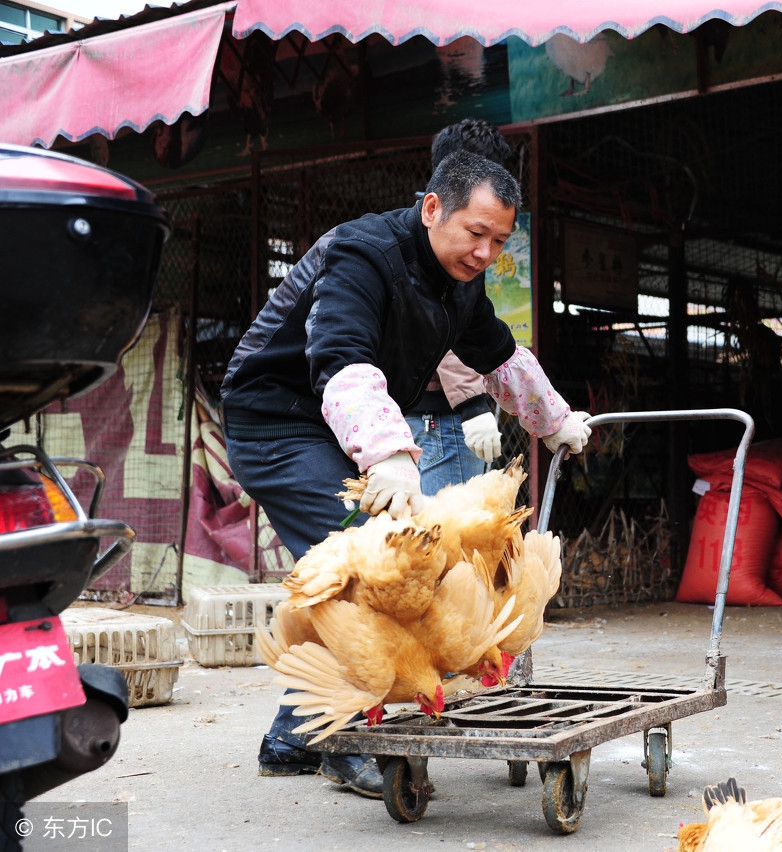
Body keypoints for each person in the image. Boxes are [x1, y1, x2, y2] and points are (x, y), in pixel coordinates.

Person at [221, 149, 591, 796]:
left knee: (359, 569)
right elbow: (340, 359)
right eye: (476, 233)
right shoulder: (363, 255)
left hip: (329, 425)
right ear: (431, 209)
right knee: (376, 569)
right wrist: (390, 453)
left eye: (499, 241)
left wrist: (552, 420)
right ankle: (343, 740)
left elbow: (500, 357)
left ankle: (292, 734)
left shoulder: (460, 283)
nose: (485, 253)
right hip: (276, 420)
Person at [406, 119, 514, 491]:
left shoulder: (417, 228)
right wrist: (472, 407)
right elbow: (443, 324)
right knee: (449, 546)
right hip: (442, 420)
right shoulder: (448, 242)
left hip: (409, 418)